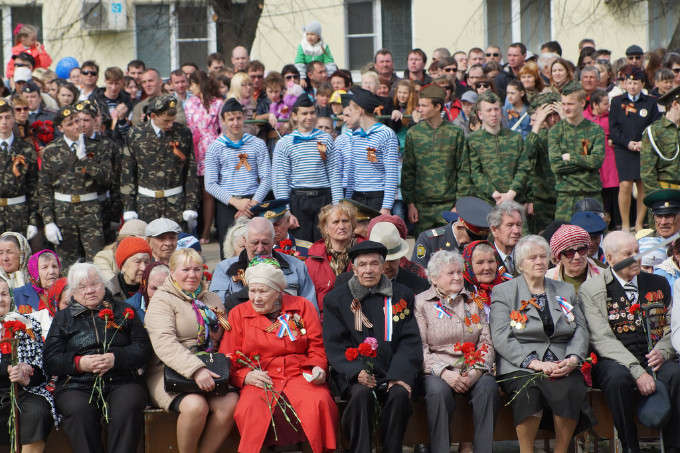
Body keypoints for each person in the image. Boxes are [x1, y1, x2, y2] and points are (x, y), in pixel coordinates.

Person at [221, 262, 338, 452]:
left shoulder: (302, 307)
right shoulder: (238, 314)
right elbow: (228, 355)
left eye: (263, 291)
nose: (256, 298)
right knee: (249, 410)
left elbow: (317, 346)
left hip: (299, 374)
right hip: (261, 378)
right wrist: (245, 376)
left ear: (277, 292)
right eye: (252, 291)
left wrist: (317, 367)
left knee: (320, 403)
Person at [490, 235, 592, 453]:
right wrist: (533, 362)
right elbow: (501, 336)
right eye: (532, 258)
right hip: (520, 363)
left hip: (560, 360)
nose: (539, 261)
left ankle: (561, 450)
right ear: (520, 264)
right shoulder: (504, 292)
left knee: (570, 386)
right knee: (529, 389)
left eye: (543, 257)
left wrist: (573, 358)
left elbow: (580, 329)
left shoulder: (564, 290)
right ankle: (526, 450)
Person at [580, 231, 680, 453]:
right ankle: (629, 445)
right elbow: (601, 339)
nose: (637, 257)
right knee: (617, 379)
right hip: (615, 358)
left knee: (675, 373)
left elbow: (673, 325)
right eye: (628, 254)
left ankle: (674, 446)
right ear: (610, 258)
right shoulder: (593, 289)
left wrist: (664, 351)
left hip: (653, 353)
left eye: (637, 251)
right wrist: (637, 371)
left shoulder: (658, 282)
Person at [323, 241, 423, 453]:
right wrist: (356, 372)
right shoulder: (336, 300)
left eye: (374, 264)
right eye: (363, 265)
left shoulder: (401, 295)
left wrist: (399, 376)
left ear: (383, 266)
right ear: (354, 269)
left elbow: (409, 341)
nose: (368, 270)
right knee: (361, 395)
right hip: (354, 376)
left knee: (399, 394)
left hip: (391, 372)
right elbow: (335, 344)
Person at [43, 263, 152, 453]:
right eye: (82, 287)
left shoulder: (124, 311)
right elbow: (51, 359)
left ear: (104, 284)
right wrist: (79, 363)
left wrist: (116, 358)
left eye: (95, 284)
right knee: (79, 412)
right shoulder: (63, 318)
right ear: (73, 292)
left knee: (127, 407)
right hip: (76, 383)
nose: (90, 291)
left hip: (122, 379)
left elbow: (143, 349)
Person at [144, 248, 238, 453]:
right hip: (167, 370)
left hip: (210, 366)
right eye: (185, 269)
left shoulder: (211, 299)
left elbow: (226, 335)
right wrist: (196, 370)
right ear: (172, 272)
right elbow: (165, 343)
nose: (192, 275)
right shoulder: (162, 300)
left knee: (230, 403)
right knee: (196, 405)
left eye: (197, 269)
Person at [415, 250, 499, 453]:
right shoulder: (421, 303)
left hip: (472, 366)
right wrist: (444, 373)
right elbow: (420, 347)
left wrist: (475, 372)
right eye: (450, 273)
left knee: (488, 389)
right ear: (434, 278)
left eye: (459, 272)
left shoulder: (474, 301)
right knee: (438, 393)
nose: (457, 277)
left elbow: (486, 343)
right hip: (437, 370)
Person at [39, 107, 113, 266]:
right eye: (70, 124)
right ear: (61, 128)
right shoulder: (52, 150)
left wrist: (85, 160)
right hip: (63, 211)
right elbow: (45, 188)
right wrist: (48, 221)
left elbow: (108, 178)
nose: (77, 126)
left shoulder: (96, 146)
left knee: (97, 261)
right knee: (67, 264)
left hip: (90, 210)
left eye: (78, 121)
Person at [204, 98, 272, 260]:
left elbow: (267, 178)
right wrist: (236, 202)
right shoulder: (215, 147)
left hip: (253, 202)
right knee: (229, 251)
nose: (235, 123)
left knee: (256, 249)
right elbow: (210, 184)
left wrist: (252, 203)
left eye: (239, 118)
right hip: (228, 204)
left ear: (244, 118)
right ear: (223, 121)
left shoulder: (257, 144)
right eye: (231, 119)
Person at [121, 95, 199, 228]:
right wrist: (129, 206)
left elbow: (190, 170)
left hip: (175, 202)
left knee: (176, 239)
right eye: (166, 120)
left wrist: (191, 205)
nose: (170, 124)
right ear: (153, 116)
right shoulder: (136, 133)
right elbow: (128, 171)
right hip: (146, 203)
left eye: (173, 120)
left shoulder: (183, 133)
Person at [273, 94, 342, 243]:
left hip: (323, 198)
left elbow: (334, 174)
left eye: (312, 113)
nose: (309, 117)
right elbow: (281, 180)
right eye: (304, 113)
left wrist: (337, 207)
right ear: (294, 116)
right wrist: (286, 211)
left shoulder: (326, 138)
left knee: (325, 244)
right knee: (300, 245)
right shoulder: (284, 143)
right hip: (298, 200)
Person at [0, 275, 56, 453]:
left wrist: (29, 373)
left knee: (37, 412)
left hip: (25, 390)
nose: (0, 299)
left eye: (4, 294)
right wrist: (7, 369)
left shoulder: (28, 324)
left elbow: (44, 368)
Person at [210, 217, 318, 309]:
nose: (260, 249)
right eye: (255, 242)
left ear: (274, 240)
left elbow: (310, 308)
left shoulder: (297, 266)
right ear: (245, 241)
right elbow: (218, 310)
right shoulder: (225, 269)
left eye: (265, 242)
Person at [402, 84, 466, 236]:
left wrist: (459, 204)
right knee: (423, 249)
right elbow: (408, 172)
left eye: (424, 105)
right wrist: (410, 204)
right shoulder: (414, 134)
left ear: (437, 107)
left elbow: (463, 171)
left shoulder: (455, 133)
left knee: (451, 248)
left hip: (449, 206)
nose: (420, 109)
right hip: (421, 208)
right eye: (419, 105)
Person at [610, 66, 662, 232]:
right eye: (629, 82)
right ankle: (625, 223)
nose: (632, 86)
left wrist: (642, 143)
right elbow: (614, 128)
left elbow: (655, 125)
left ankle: (639, 223)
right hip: (624, 149)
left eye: (636, 83)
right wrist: (628, 143)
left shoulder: (650, 102)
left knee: (642, 185)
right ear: (625, 83)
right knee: (625, 184)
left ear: (642, 84)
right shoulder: (617, 102)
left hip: (643, 148)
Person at [549, 81, 605, 221]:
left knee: (595, 233)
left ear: (582, 103)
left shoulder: (595, 130)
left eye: (570, 104)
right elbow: (556, 166)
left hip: (591, 194)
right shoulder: (555, 131)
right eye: (563, 104)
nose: (565, 108)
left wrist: (570, 157)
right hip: (566, 197)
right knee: (564, 234)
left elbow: (597, 161)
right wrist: (585, 162)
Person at [465, 91, 530, 205]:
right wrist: (493, 193)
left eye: (496, 109)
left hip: (515, 201)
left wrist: (511, 193)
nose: (494, 114)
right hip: (486, 202)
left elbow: (523, 168)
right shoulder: (472, 140)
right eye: (489, 110)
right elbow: (475, 172)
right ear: (480, 114)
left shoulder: (515, 138)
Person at [344, 87, 399, 214]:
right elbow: (353, 171)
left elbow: (391, 172)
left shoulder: (386, 134)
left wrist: (386, 207)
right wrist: (347, 200)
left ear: (359, 111)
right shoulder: (355, 135)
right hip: (357, 197)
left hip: (377, 197)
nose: (348, 114)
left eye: (351, 110)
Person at [184, 70, 223, 244]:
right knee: (196, 189)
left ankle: (206, 232)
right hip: (194, 147)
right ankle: (195, 230)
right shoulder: (189, 103)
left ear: (200, 84)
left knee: (209, 191)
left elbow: (222, 128)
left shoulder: (218, 103)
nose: (190, 88)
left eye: (192, 84)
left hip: (211, 147)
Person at [305, 203, 364, 312]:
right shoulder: (312, 262)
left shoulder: (366, 253)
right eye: (336, 222)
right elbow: (310, 302)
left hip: (360, 316)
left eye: (345, 221)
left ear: (352, 225)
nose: (341, 226)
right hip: (325, 319)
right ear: (325, 228)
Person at [412, 196, 493, 268]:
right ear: (459, 228)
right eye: (471, 237)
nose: (473, 242)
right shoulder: (429, 240)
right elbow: (418, 274)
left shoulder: (485, 242)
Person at [0, 99, 39, 238]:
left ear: (13, 119)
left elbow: (34, 187)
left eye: (7, 117)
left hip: (18, 214)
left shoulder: (26, 148)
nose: (4, 122)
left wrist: (33, 221)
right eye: (0, 118)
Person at [584, 89, 621, 229]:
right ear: (595, 104)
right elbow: (584, 139)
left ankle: (612, 220)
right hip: (593, 154)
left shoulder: (611, 116)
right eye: (605, 103)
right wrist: (585, 154)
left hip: (610, 155)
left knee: (611, 187)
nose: (608, 106)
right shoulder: (585, 116)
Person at [525, 92, 560, 233]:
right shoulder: (539, 136)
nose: (552, 119)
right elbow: (527, 154)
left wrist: (565, 119)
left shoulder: (569, 133)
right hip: (542, 200)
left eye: (556, 114)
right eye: (548, 115)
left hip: (565, 197)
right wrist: (538, 122)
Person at [641, 85, 680, 194]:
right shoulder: (654, 131)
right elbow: (647, 172)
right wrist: (658, 197)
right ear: (675, 104)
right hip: (665, 193)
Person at [13, 249, 60, 335]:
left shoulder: (65, 294)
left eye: (54, 266)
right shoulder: (17, 295)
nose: (51, 272)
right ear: (34, 270)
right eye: (45, 267)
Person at [545, 224, 602, 293]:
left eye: (581, 250)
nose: (577, 257)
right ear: (559, 257)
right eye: (570, 253)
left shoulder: (603, 276)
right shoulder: (547, 279)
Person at [462, 240, 509, 321]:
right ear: (468, 265)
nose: (487, 267)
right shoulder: (461, 292)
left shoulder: (508, 287)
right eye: (480, 262)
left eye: (491, 261)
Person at [489, 201, 525, 277]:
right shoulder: (485, 257)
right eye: (510, 225)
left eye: (519, 225)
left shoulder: (526, 255)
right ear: (494, 230)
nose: (516, 231)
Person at [109, 236, 151, 301]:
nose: (144, 268)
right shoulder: (108, 291)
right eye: (137, 262)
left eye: (146, 262)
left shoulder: (155, 288)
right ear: (123, 266)